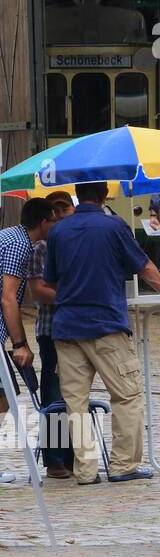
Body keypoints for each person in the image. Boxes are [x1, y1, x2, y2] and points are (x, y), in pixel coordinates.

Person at [43, 182, 160, 486]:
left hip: (67, 327)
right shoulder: (114, 226)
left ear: (78, 194)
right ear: (103, 196)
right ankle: (123, 465)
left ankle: (85, 471)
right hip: (106, 325)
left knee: (75, 403)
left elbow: (51, 278)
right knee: (127, 395)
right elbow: (145, 267)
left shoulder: (58, 231)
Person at [0, 198, 56, 483]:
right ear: (43, 222)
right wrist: (19, 343)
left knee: (3, 397)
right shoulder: (21, 245)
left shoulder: (11, 236)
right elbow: (8, 296)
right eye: (54, 220)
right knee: (3, 397)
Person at [27, 191, 76, 478]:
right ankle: (56, 458)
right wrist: (75, 296)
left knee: (76, 395)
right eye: (54, 210)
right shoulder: (42, 247)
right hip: (53, 328)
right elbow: (39, 291)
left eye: (64, 208)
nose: (59, 215)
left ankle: (76, 456)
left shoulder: (75, 241)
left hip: (79, 329)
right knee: (56, 394)